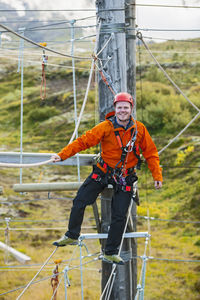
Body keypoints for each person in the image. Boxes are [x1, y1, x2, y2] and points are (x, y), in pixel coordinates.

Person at [51, 92, 162, 265]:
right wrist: (62, 155)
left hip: (126, 176)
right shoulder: (105, 127)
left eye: (126, 107)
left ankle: (110, 252)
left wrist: (157, 175)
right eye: (120, 108)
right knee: (80, 200)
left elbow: (151, 153)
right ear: (115, 109)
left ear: (131, 109)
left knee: (119, 215)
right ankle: (72, 235)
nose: (123, 111)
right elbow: (83, 141)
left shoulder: (139, 129)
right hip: (103, 172)